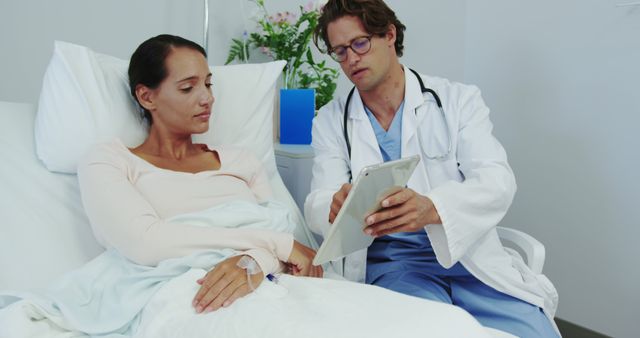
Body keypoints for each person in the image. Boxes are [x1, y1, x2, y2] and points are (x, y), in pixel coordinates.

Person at [305, 1, 560, 337]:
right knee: (438, 330)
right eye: (340, 51)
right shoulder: (330, 120)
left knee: (536, 332)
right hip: (397, 268)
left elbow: (497, 180)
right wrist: (333, 205)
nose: (351, 58)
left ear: (389, 35)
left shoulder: (458, 101)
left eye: (360, 43)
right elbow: (316, 201)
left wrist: (433, 208)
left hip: (469, 258)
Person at [78, 34, 322, 315]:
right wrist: (275, 245)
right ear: (146, 97)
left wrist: (255, 261)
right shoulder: (109, 161)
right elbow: (146, 243)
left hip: (267, 283)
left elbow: (284, 242)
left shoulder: (241, 161)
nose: (208, 98)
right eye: (187, 88)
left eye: (208, 84)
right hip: (191, 293)